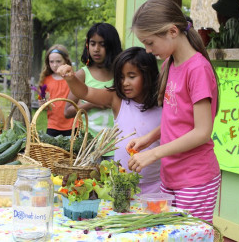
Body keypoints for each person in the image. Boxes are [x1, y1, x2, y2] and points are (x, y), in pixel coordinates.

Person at [127, 0, 221, 223]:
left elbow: (202, 132)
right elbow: (177, 118)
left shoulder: (197, 69)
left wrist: (154, 153)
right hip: (171, 176)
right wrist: (149, 139)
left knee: (190, 236)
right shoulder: (171, 63)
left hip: (195, 179)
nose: (148, 50)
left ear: (171, 31)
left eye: (149, 43)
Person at [58, 47, 162, 194]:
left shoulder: (164, 103)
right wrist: (71, 78)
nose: (125, 82)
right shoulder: (118, 99)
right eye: (120, 77)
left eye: (131, 76)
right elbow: (86, 92)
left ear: (148, 75)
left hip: (156, 185)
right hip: (120, 184)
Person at [64, 23, 123, 160]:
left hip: (116, 145)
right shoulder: (82, 74)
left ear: (112, 46)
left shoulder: (120, 74)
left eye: (102, 44)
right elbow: (67, 112)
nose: (96, 49)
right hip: (89, 146)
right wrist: (92, 104)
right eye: (92, 43)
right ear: (87, 45)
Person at [38, 44, 74, 137]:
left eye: (58, 61)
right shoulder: (45, 80)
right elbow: (43, 104)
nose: (54, 65)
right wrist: (43, 104)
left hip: (72, 124)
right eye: (51, 62)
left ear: (66, 61)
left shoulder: (72, 78)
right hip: (53, 125)